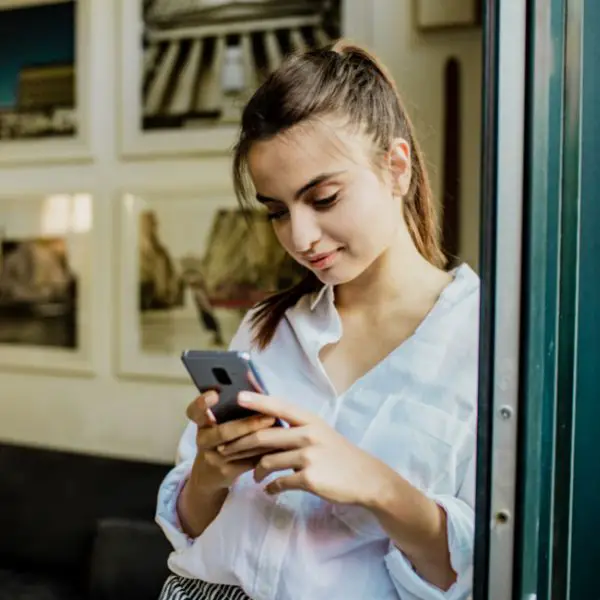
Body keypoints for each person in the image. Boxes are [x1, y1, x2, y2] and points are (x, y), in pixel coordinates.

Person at [156, 39, 479, 600]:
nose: (299, 238)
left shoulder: (489, 343)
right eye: (277, 211)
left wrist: (374, 484)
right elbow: (190, 526)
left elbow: (476, 572)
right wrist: (210, 470)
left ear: (396, 167)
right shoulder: (266, 326)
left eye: (323, 198)